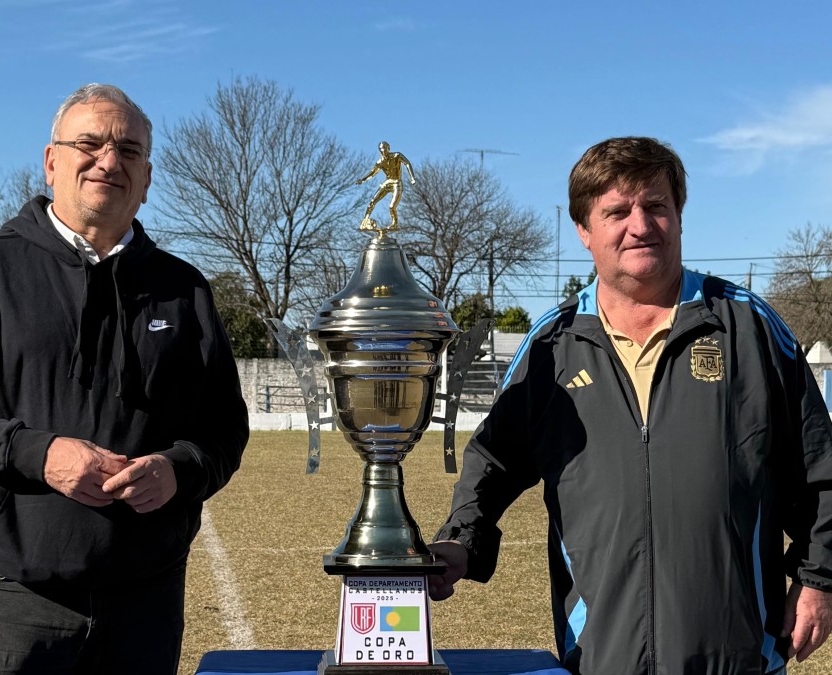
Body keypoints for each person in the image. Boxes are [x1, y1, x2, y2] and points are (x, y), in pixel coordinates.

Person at [429, 137, 832, 674]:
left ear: (679, 217)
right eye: (616, 211)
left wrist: (818, 580)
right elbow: (492, 461)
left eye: (655, 206)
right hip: (600, 656)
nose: (639, 225)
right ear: (584, 230)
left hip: (736, 657)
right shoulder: (553, 346)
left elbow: (820, 470)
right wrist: (461, 541)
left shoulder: (748, 327)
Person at [0, 83, 249, 674]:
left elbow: (225, 427)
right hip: (12, 591)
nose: (109, 161)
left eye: (128, 150)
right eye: (90, 143)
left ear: (147, 178)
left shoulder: (185, 288)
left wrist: (178, 470)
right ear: (52, 161)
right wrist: (39, 454)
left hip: (147, 594)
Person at [356, 140, 416, 230]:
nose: (383, 150)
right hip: (387, 183)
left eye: (385, 147)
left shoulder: (397, 156)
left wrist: (412, 177)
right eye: (381, 148)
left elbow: (407, 163)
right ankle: (365, 222)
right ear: (379, 150)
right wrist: (362, 180)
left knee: (392, 207)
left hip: (396, 183)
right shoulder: (380, 162)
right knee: (372, 202)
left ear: (389, 148)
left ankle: (394, 224)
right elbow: (372, 172)